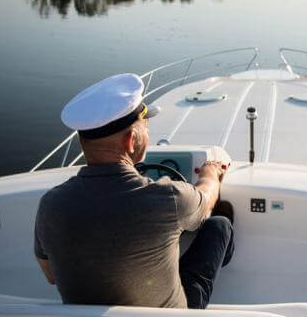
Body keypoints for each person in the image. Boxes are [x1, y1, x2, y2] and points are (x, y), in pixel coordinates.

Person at [33, 73, 234, 309]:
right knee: (219, 224)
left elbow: (51, 276)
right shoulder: (169, 198)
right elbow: (207, 200)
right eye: (146, 126)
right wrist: (210, 172)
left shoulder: (51, 204)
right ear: (130, 140)